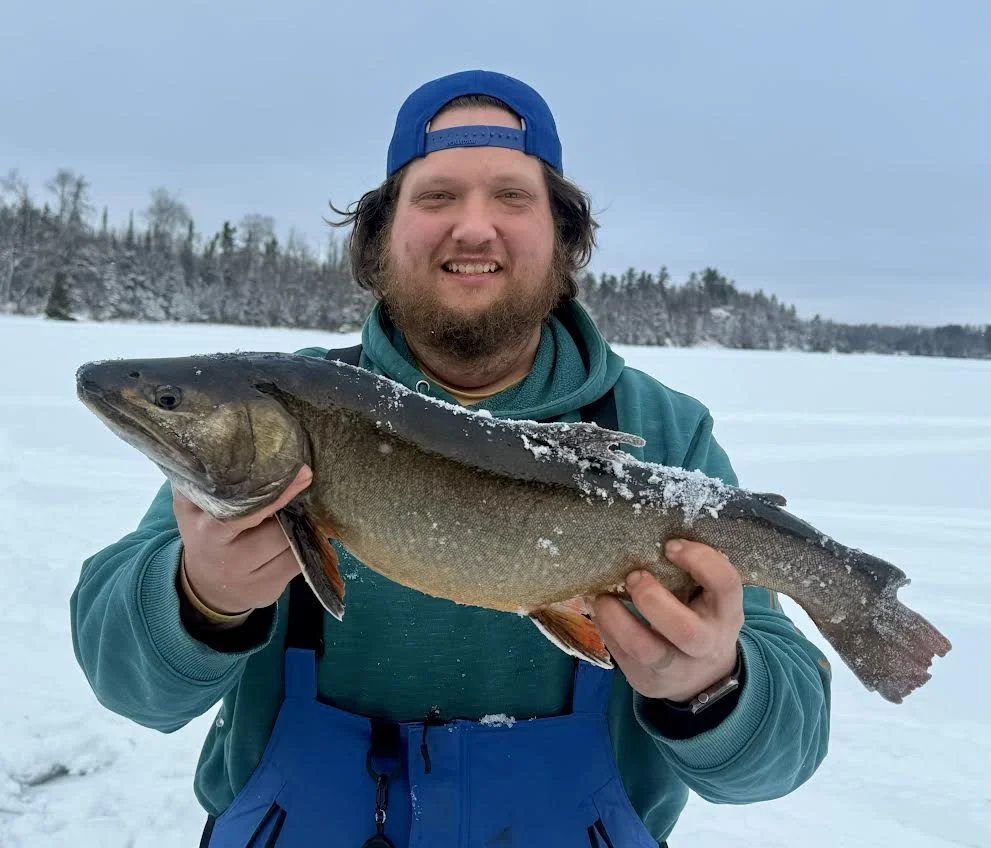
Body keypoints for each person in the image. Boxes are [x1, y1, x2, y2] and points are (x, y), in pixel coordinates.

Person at [70, 69, 831, 847]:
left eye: (511, 197)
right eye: (435, 197)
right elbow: (129, 685)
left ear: (563, 237)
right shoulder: (275, 413)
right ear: (381, 234)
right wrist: (202, 598)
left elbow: (776, 762)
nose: (473, 228)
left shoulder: (660, 432)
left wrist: (709, 689)